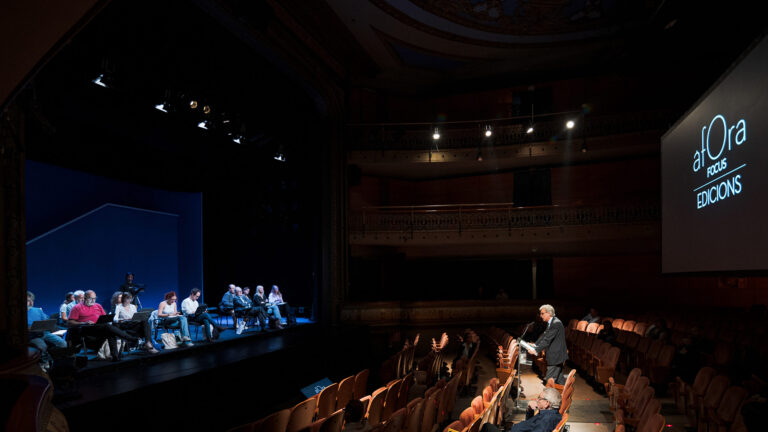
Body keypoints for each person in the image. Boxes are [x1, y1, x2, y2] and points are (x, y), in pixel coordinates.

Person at [68, 290, 136, 361]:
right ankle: (129, 337)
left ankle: (115, 356)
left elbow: (104, 317)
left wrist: (108, 319)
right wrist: (83, 323)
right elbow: (70, 322)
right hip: (87, 328)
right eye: (91, 298)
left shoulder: (98, 305)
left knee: (110, 332)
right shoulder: (77, 308)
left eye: (95, 298)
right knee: (107, 327)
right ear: (85, 298)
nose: (93, 300)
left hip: (99, 327)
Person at [526, 304, 568, 385]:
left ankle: (548, 397)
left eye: (542, 313)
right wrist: (535, 344)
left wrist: (535, 350)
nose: (540, 316)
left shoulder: (556, 323)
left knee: (549, 381)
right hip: (556, 355)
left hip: (556, 356)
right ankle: (564, 396)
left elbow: (547, 340)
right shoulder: (551, 322)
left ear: (549, 313)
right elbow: (544, 336)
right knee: (560, 380)